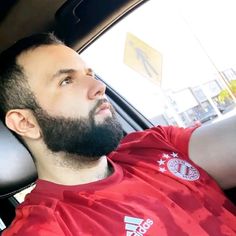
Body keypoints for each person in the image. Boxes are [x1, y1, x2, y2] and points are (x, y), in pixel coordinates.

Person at [0, 33, 235, 236]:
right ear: (25, 122)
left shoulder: (155, 146)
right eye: (66, 81)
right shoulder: (44, 228)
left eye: (89, 74)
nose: (97, 86)